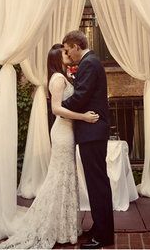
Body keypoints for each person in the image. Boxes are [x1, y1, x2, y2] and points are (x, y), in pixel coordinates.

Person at [0, 44, 99, 249]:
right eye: (64, 53)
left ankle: (64, 226)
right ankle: (54, 226)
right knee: (60, 178)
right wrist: (83, 117)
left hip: (68, 131)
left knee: (66, 177)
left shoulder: (63, 77)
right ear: (57, 58)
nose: (68, 54)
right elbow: (57, 109)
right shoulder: (57, 79)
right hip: (62, 133)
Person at [62, 30, 114, 249]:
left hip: (92, 131)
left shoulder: (89, 63)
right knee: (97, 182)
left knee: (97, 183)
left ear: (76, 46)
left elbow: (81, 96)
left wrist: (58, 107)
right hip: (92, 131)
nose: (67, 54)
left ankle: (103, 236)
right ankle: (100, 227)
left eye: (67, 50)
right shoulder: (90, 62)